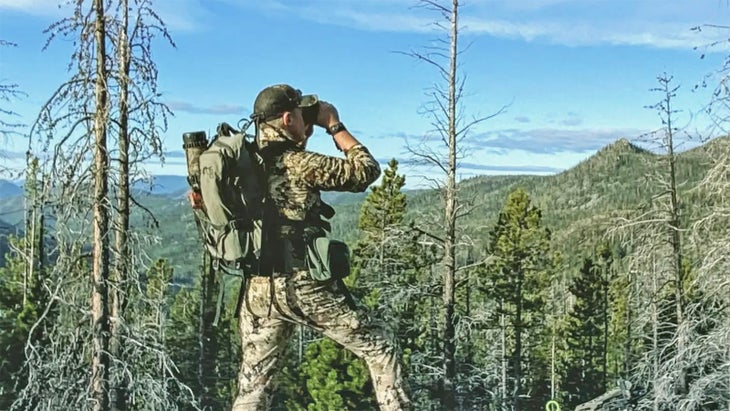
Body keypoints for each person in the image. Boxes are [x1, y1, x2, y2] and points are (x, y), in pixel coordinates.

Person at [231, 84, 411, 411]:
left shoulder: (244, 162)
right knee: (380, 344)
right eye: (301, 113)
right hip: (302, 283)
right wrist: (334, 126)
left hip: (258, 287)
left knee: (255, 385)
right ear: (287, 118)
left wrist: (303, 131)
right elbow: (364, 171)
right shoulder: (298, 162)